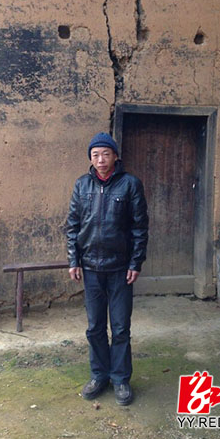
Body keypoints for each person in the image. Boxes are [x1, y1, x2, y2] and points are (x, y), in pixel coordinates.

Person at [66, 132, 148, 406]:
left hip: (120, 269)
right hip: (91, 268)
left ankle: (120, 379)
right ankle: (99, 375)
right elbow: (73, 225)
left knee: (121, 327)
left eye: (105, 154)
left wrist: (135, 262)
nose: (101, 160)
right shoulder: (82, 185)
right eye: (95, 155)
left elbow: (140, 227)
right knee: (95, 327)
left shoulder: (130, 185)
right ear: (90, 159)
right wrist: (74, 260)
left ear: (115, 156)